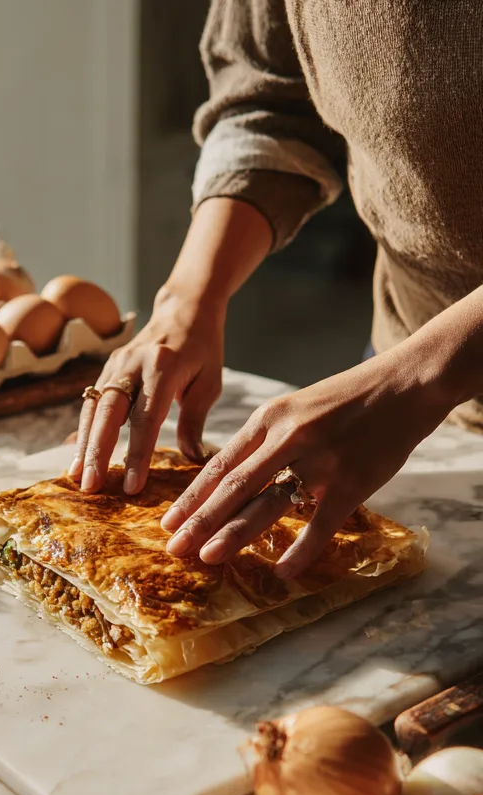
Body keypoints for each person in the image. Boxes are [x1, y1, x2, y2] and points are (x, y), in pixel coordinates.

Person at [71, 0, 483, 580]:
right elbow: (270, 102)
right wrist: (187, 298)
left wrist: (417, 376)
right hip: (403, 356)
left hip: (406, 380)